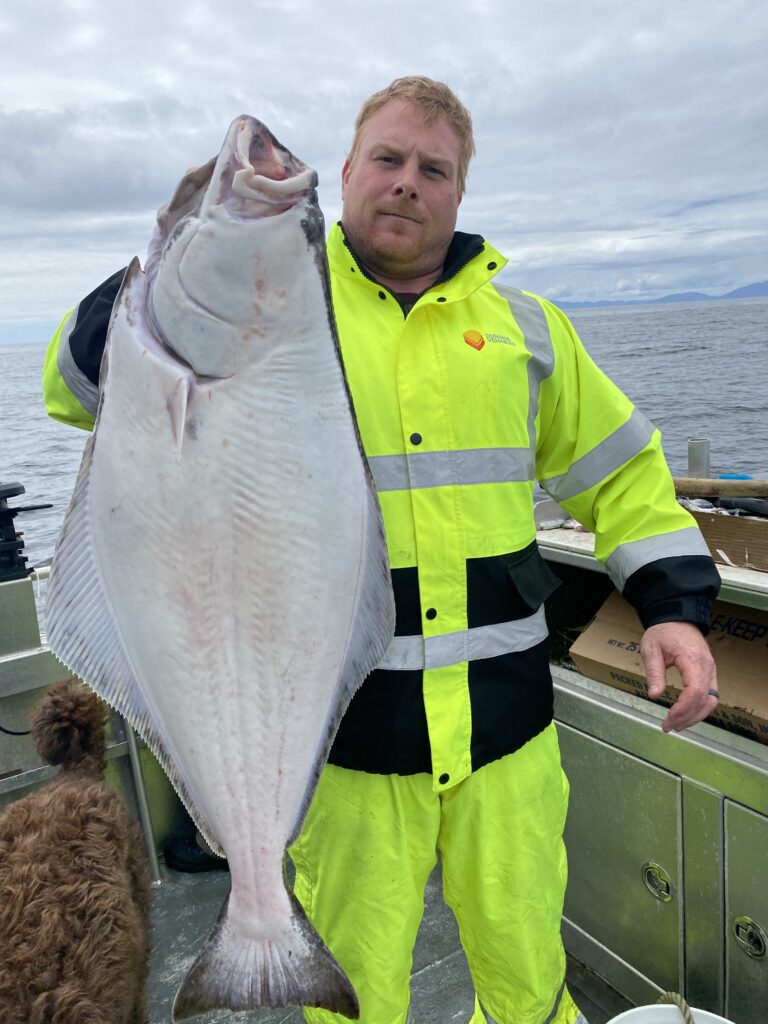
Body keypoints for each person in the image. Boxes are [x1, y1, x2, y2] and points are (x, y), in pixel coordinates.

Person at [43, 76, 721, 1024]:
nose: (408, 182)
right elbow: (73, 391)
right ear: (350, 171)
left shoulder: (527, 331)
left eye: (434, 169)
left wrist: (673, 608)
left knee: (530, 973)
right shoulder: (285, 299)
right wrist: (160, 268)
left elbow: (623, 475)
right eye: (388, 159)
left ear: (460, 192)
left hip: (505, 738)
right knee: (355, 990)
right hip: (345, 749)